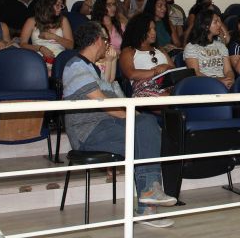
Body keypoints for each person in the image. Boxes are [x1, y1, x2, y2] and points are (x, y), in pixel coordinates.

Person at [62, 21, 176, 227]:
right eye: (106, 41)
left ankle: (148, 202)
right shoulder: (74, 66)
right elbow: (105, 104)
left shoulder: (92, 69)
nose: (108, 46)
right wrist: (133, 116)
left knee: (146, 130)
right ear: (98, 40)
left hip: (107, 126)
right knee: (145, 128)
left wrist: (111, 62)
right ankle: (147, 204)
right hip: (88, 132)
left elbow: (114, 92)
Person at [119, 13, 176, 97]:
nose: (154, 33)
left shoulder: (160, 49)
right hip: (144, 87)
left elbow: (174, 70)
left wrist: (165, 67)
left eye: (154, 29)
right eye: (149, 30)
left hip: (166, 85)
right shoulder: (129, 51)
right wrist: (156, 71)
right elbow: (131, 74)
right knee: (168, 96)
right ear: (139, 31)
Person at [20, 0, 74, 68]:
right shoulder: (31, 21)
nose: (60, 8)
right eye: (57, 5)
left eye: (61, 5)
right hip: (37, 61)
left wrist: (54, 37)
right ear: (48, 4)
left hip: (59, 61)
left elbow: (71, 45)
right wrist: (40, 48)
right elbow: (22, 45)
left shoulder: (63, 20)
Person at [183, 9, 235, 90]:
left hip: (223, 84)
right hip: (204, 85)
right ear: (206, 26)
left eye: (219, 21)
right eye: (216, 22)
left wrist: (229, 79)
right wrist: (219, 81)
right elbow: (196, 73)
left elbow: (228, 70)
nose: (219, 25)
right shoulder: (191, 47)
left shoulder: (221, 46)